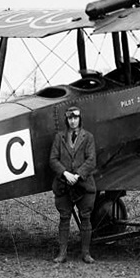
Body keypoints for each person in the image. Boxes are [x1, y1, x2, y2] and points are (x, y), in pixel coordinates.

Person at [49, 104, 98, 264]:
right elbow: (53, 159)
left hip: (83, 184)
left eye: (75, 118)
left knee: (85, 217)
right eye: (70, 118)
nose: (73, 121)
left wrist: (77, 175)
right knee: (64, 217)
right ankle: (62, 253)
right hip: (64, 184)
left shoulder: (88, 137)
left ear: (80, 119)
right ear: (66, 120)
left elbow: (91, 160)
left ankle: (86, 253)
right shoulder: (59, 137)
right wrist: (65, 173)